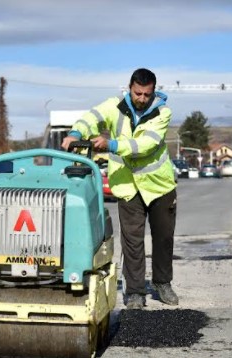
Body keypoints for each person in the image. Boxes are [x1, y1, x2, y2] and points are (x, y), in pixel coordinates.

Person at [62, 68, 177, 310]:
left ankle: (162, 282)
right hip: (127, 185)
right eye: (138, 93)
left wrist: (112, 143)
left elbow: (147, 144)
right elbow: (92, 117)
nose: (142, 99)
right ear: (130, 88)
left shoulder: (162, 112)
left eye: (147, 94)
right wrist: (75, 133)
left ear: (153, 91)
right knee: (132, 241)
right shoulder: (114, 105)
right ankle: (135, 292)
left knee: (163, 238)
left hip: (159, 186)